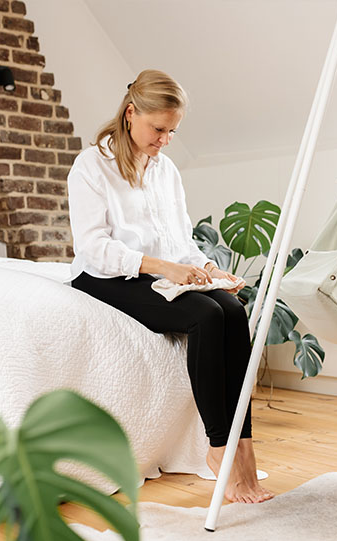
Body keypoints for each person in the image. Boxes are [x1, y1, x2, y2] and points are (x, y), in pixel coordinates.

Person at [66, 69, 274, 504]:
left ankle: (245, 448)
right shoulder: (91, 166)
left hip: (158, 272)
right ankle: (218, 448)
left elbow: (178, 239)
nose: (164, 140)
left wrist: (207, 269)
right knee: (204, 316)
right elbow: (93, 246)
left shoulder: (166, 170)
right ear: (130, 114)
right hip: (104, 277)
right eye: (158, 129)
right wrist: (163, 268)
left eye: (172, 131)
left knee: (232, 311)